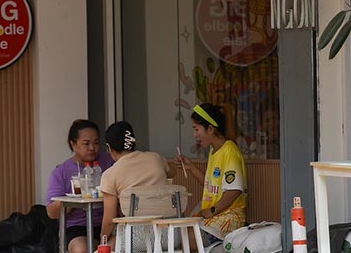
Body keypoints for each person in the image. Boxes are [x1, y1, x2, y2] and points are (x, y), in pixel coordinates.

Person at [46, 119, 114, 253]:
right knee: (81, 252)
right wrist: (74, 200)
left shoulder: (109, 162)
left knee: (121, 249)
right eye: (86, 143)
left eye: (96, 143)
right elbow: (51, 212)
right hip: (78, 227)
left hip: (109, 222)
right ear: (73, 144)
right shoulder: (61, 172)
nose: (92, 148)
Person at [175, 103, 247, 244]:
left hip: (227, 220)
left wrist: (212, 210)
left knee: (181, 241)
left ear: (210, 129)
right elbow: (211, 185)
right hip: (214, 219)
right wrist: (191, 167)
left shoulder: (230, 151)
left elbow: (234, 190)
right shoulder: (214, 151)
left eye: (196, 129)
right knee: (178, 237)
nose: (195, 135)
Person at [99, 121, 173, 241]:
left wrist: (103, 239)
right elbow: (172, 173)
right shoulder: (156, 158)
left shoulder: (110, 175)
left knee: (107, 246)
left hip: (135, 240)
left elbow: (109, 221)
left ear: (109, 148)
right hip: (169, 236)